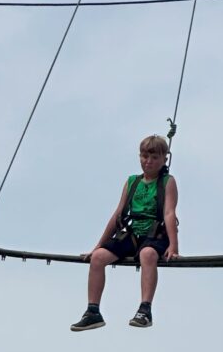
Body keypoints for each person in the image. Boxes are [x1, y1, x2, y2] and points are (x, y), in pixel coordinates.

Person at [71, 135, 179, 331]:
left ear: (164, 159)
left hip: (154, 233)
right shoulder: (132, 182)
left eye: (154, 157)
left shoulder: (167, 182)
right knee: (98, 258)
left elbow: (169, 213)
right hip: (131, 233)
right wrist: (98, 246)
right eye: (145, 156)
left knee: (147, 254)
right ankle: (93, 312)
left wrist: (173, 246)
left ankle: (145, 310)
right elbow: (118, 214)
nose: (148, 161)